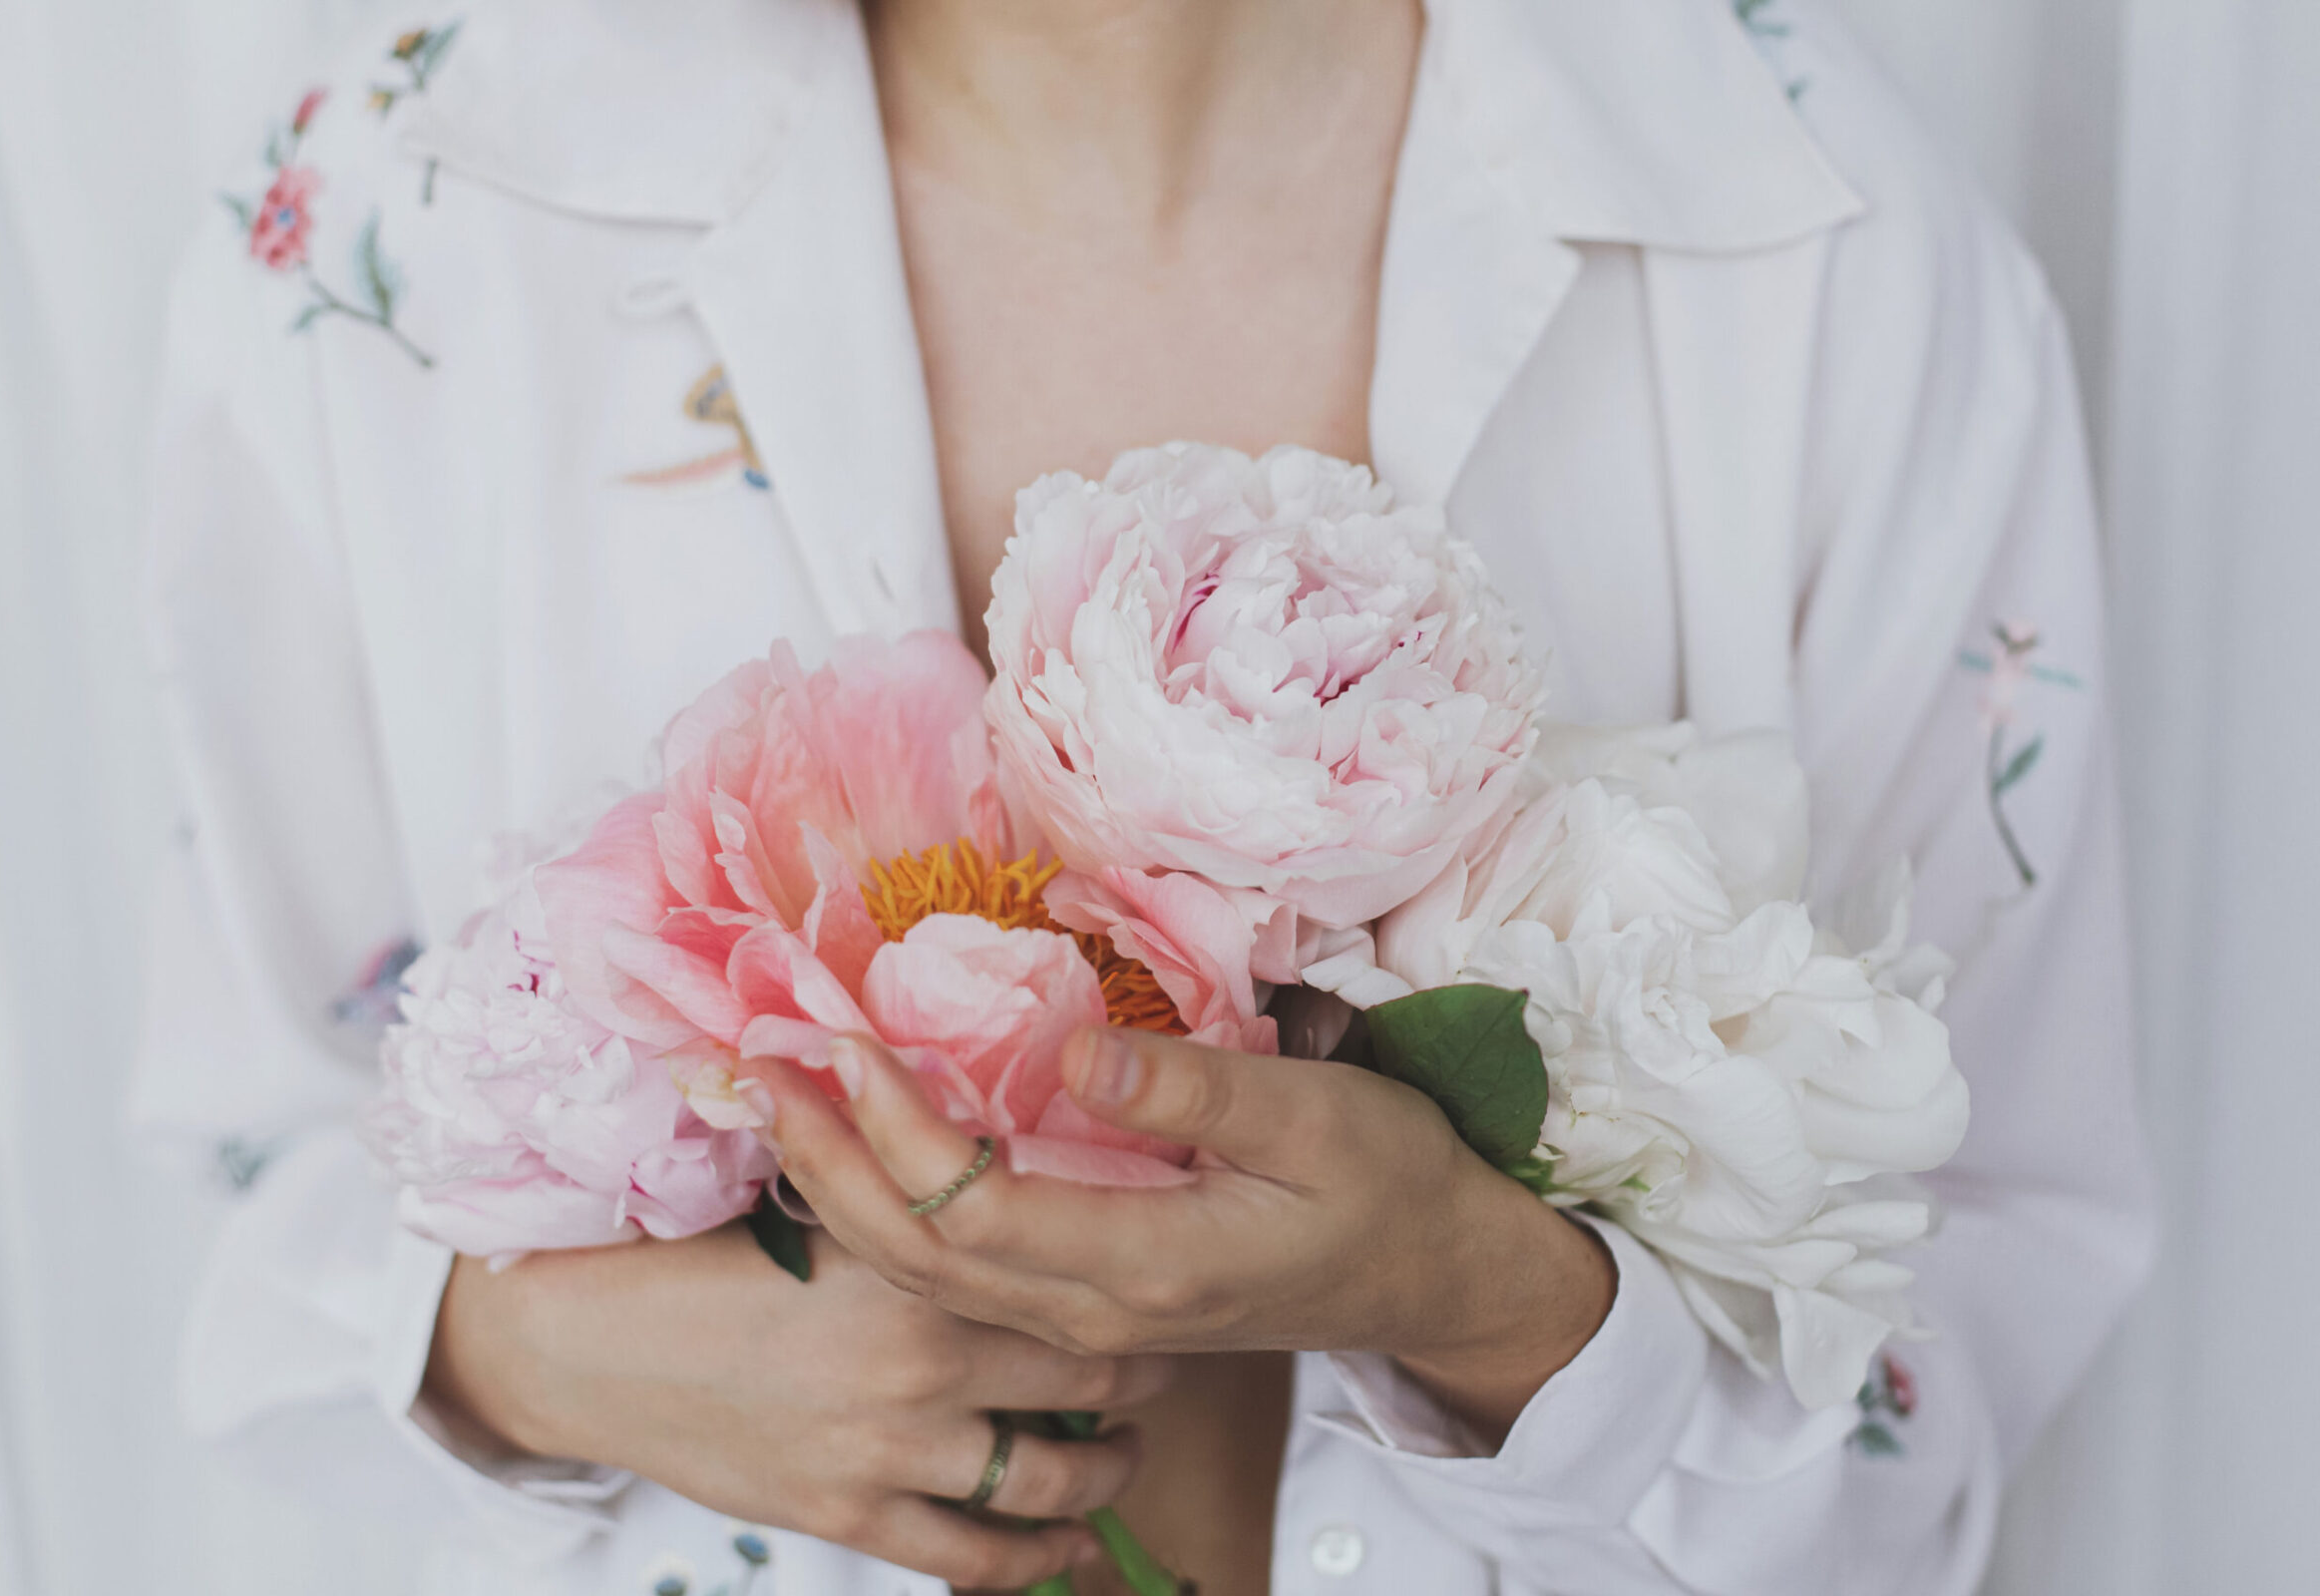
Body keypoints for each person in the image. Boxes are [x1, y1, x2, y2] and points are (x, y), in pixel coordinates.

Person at [139, 1, 2153, 1592]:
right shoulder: (392, 233)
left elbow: (1969, 1299)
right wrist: (535, 1354)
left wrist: (1498, 1309)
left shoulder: (1815, 244)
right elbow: (259, 1180)